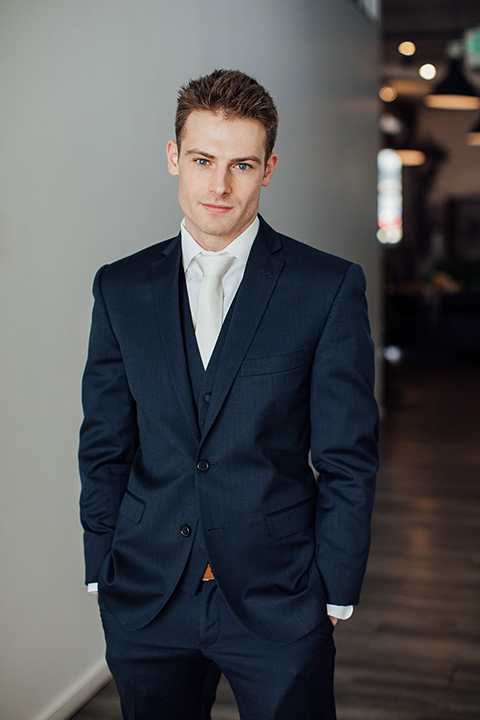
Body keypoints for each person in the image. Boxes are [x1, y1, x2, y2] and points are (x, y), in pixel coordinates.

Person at [79, 68, 379, 720]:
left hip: (281, 597)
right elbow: (104, 441)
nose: (220, 185)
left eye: (242, 164)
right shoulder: (120, 289)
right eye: (203, 160)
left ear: (269, 168)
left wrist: (333, 589)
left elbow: (348, 455)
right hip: (147, 593)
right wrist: (101, 565)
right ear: (173, 158)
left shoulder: (326, 287)